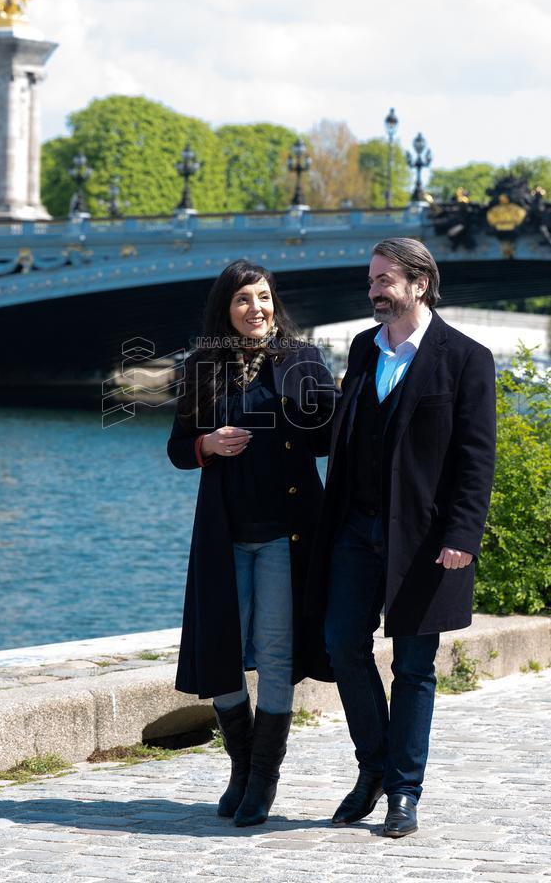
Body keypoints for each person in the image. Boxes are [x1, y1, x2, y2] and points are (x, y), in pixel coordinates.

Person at [306, 237, 496, 838]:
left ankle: (404, 793)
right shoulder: (365, 349)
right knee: (341, 645)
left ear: (420, 283)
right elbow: (346, 432)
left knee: (415, 666)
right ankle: (374, 768)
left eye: (384, 280)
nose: (374, 291)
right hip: (355, 528)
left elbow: (475, 458)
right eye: (371, 281)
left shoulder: (465, 357)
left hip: (426, 537)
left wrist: (462, 532)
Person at [168, 260, 335, 827]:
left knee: (278, 655)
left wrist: (303, 402)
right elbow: (177, 448)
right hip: (225, 534)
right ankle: (240, 768)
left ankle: (265, 778)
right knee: (221, 656)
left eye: (263, 297)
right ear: (226, 308)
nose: (256, 308)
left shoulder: (304, 360)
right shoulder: (201, 366)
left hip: (286, 536)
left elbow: (325, 443)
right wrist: (208, 443)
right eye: (243, 300)